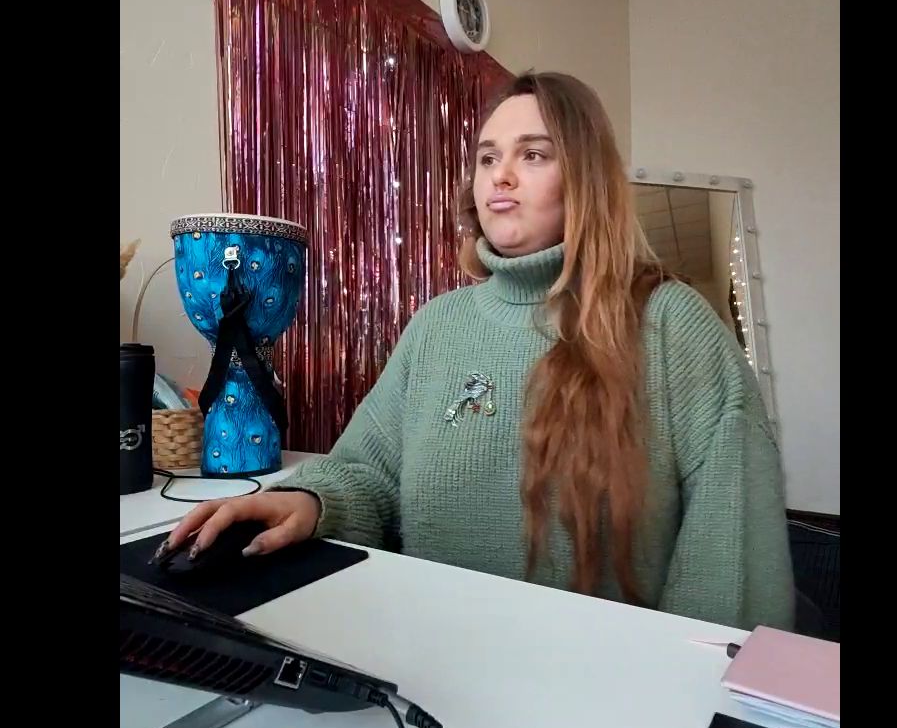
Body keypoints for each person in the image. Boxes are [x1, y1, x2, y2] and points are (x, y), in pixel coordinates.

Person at [162, 72, 795, 631]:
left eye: (533, 154)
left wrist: (690, 688)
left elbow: (733, 554)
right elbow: (369, 471)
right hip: (432, 669)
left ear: (587, 181)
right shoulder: (438, 325)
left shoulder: (673, 325)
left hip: (605, 691)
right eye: (488, 157)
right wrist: (310, 500)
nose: (501, 175)